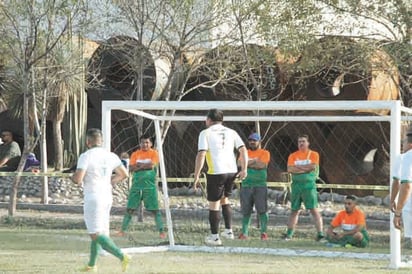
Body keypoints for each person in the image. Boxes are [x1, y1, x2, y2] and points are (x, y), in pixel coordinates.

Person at [71, 128, 130, 272]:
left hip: (94, 197)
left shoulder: (86, 156)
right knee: (99, 232)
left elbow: (78, 179)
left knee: (95, 233)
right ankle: (92, 264)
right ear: (102, 141)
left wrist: (71, 177)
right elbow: (124, 174)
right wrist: (111, 182)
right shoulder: (111, 155)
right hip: (107, 197)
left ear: (87, 142)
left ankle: (122, 255)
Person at [193, 109, 248, 246]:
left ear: (209, 120)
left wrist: (197, 175)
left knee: (214, 204)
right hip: (231, 171)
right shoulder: (232, 132)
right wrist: (244, 169)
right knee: (225, 199)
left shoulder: (205, 133)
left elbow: (201, 154)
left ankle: (214, 237)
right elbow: (243, 150)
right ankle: (229, 231)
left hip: (217, 171)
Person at [117, 135, 165, 239]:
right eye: (143, 142)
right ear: (140, 143)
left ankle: (161, 231)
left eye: (147, 142)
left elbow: (151, 166)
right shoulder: (135, 154)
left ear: (151, 144)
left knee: (155, 210)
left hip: (150, 187)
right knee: (129, 209)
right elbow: (131, 168)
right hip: (136, 186)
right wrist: (144, 166)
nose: (145, 144)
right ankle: (122, 230)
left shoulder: (154, 153)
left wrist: (139, 166)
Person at [284, 134, 324, 241]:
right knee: (294, 210)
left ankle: (320, 233)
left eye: (303, 141)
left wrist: (298, 168)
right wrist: (305, 169)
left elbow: (312, 167)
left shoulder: (314, 154)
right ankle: (289, 234)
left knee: (313, 209)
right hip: (296, 186)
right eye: (299, 142)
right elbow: (290, 169)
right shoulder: (293, 155)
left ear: (308, 143)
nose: (301, 143)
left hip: (309, 186)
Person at [238, 133, 270, 240]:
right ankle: (244, 233)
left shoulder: (265, 153)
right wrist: (255, 161)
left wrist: (247, 163)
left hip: (260, 185)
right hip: (246, 185)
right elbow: (239, 163)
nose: (252, 142)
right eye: (250, 140)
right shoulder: (245, 152)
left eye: (254, 140)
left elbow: (262, 165)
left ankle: (264, 232)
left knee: (262, 210)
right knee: (246, 211)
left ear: (259, 142)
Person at [390, 131, 412, 246]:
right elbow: (396, 181)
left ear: (410, 144)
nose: (402, 145)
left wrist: (398, 212)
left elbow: (406, 185)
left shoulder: (407, 157)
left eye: (403, 142)